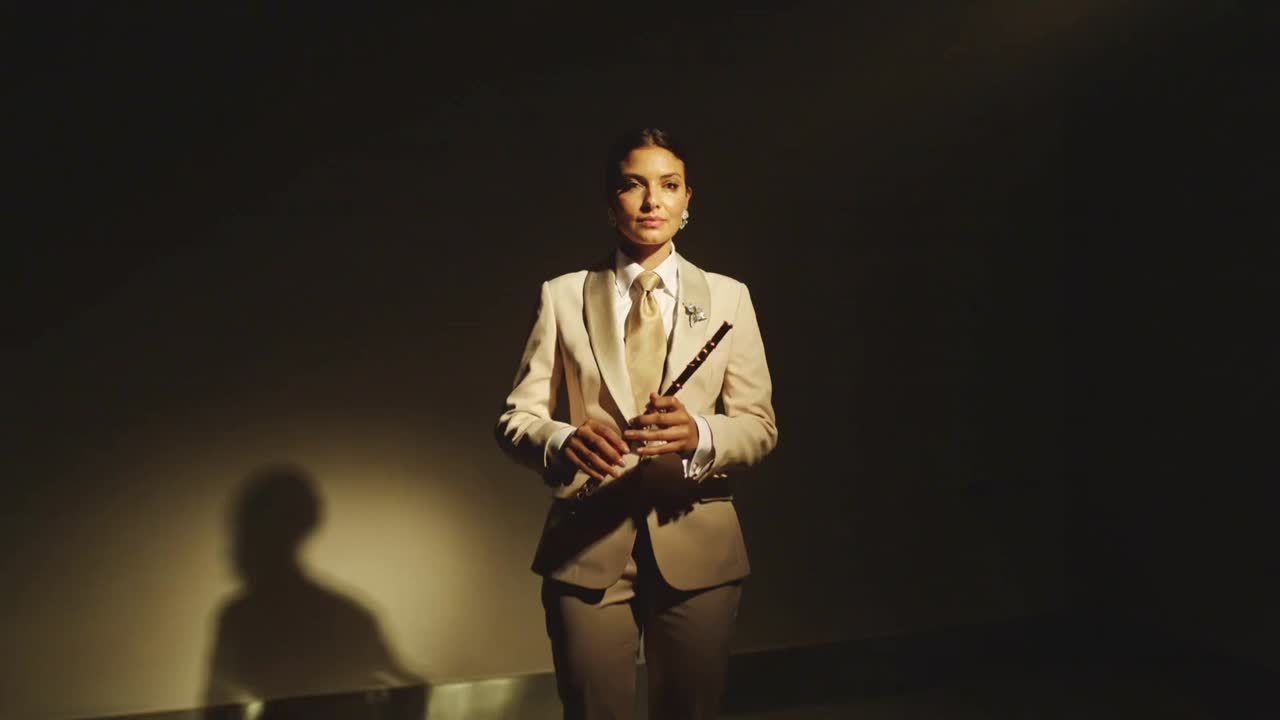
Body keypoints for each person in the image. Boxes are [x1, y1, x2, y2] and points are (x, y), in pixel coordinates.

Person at [495, 127, 778, 720]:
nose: (652, 201)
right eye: (634, 185)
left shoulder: (729, 298)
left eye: (669, 185)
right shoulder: (563, 296)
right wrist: (563, 439)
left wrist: (700, 434)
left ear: (687, 199)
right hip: (587, 539)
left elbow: (758, 426)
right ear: (611, 200)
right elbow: (517, 419)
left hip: (698, 540)